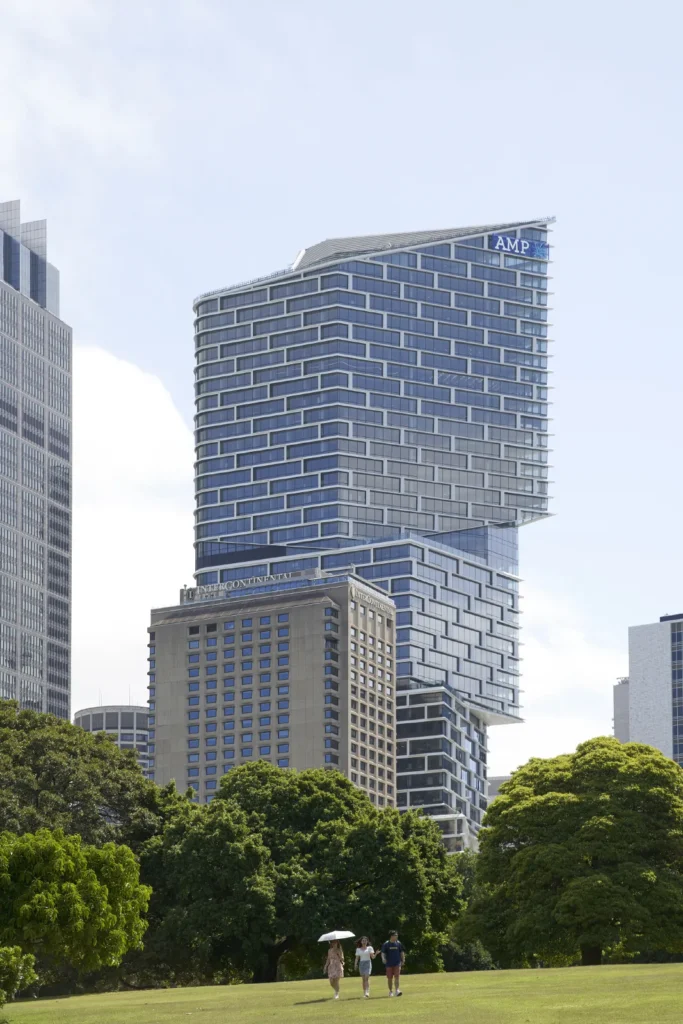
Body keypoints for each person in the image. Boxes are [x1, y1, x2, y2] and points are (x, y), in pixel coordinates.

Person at [381, 930, 405, 997]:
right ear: (391, 936)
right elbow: (383, 953)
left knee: (397, 977)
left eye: (397, 935)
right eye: (395, 935)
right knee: (389, 978)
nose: (397, 936)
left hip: (397, 963)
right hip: (389, 964)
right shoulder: (386, 944)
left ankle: (397, 990)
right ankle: (390, 991)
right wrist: (383, 959)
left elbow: (401, 952)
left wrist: (403, 959)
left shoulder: (398, 943)